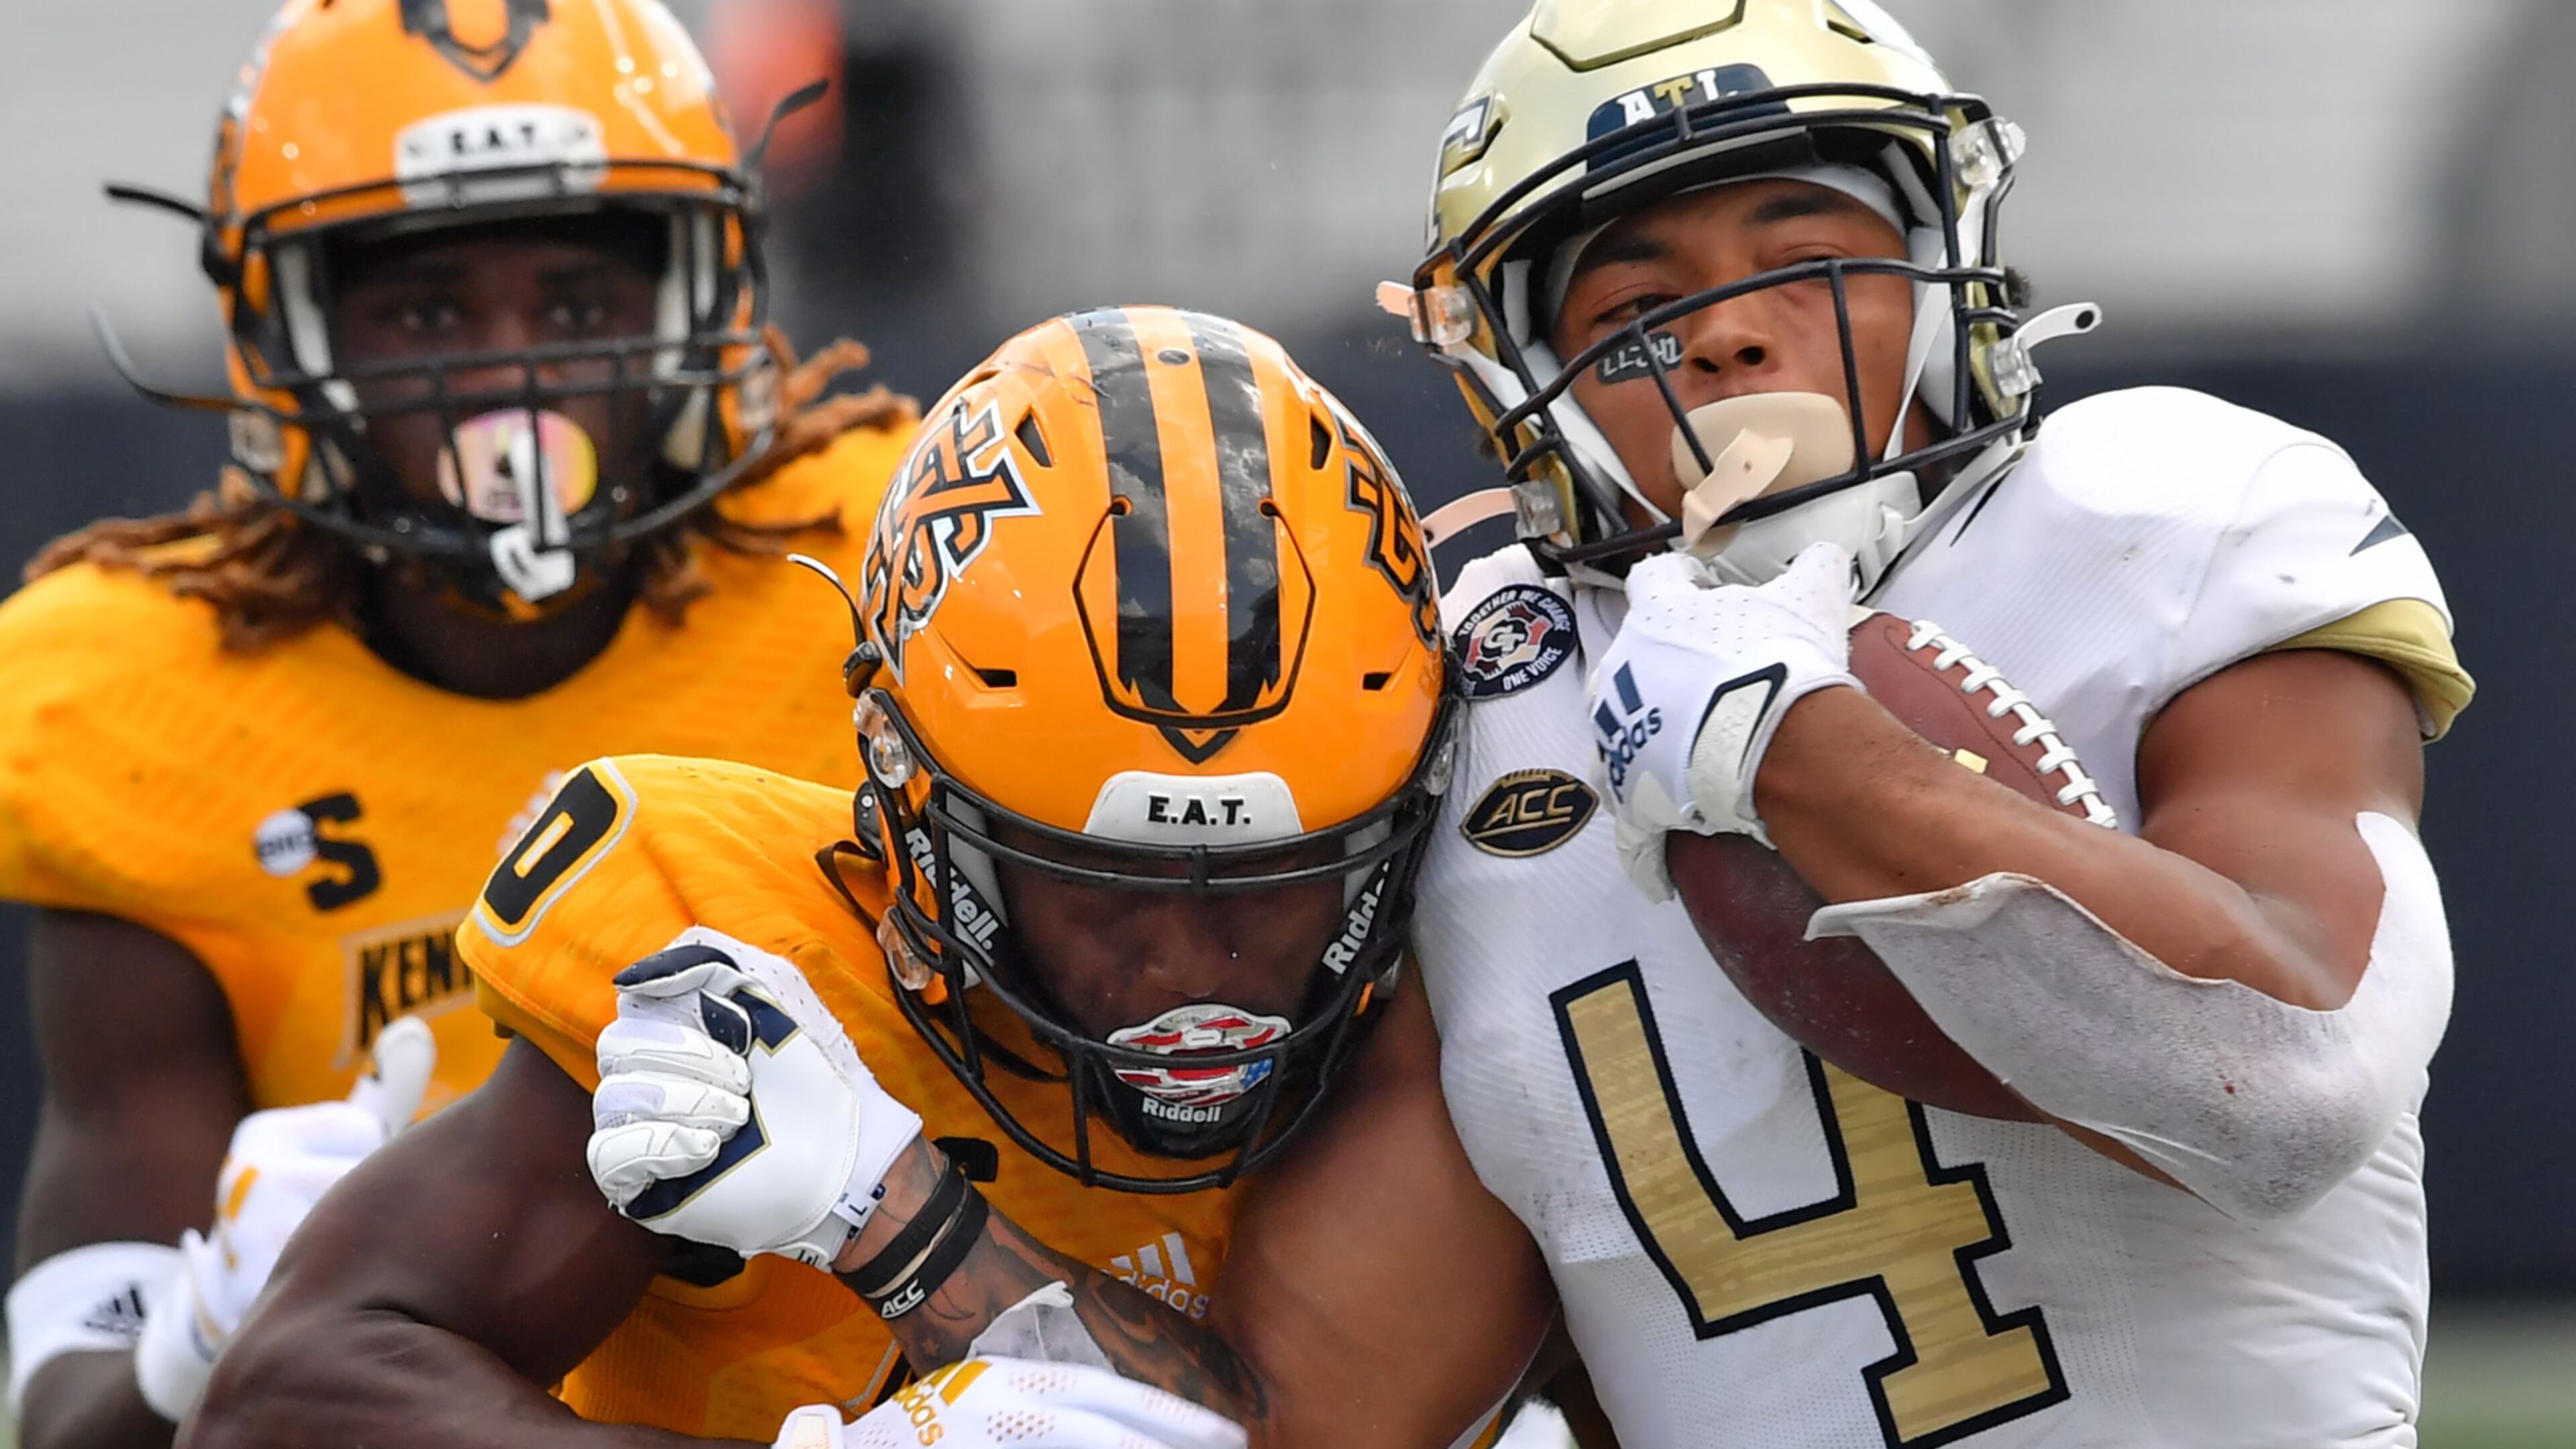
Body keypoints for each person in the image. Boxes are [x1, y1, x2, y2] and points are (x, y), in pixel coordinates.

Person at [583, 3, 2477, 1446]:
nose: (1727, 338)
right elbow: (1309, 1419)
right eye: (1637, 303)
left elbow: (2289, 1090)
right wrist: (893, 1214)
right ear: (1522, 382)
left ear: (1945, 259)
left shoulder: (2164, 503)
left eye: (1795, 247)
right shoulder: (1490, 739)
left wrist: (1785, 748)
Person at [186, 307, 1552, 1449]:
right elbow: (284, 1399)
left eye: (1275, 881)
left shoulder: (1474, 981)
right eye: (1102, 884)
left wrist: (890, 1210)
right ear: (909, 797)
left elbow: (1288, 1440)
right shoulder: (742, 952)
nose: (1189, 972)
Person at [0, 2, 918, 1445]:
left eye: (575, 304)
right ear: (287, 333)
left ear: (699, 294)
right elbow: (61, 1419)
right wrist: (197, 1332)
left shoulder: (878, 565)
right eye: (428, 312)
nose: (514, 376)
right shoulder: (125, 699)